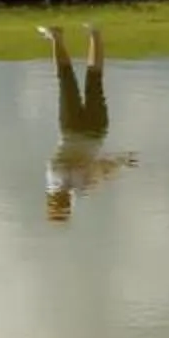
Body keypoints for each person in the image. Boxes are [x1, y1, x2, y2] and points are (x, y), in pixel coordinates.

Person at [39, 23, 132, 220]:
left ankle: (92, 33)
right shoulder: (62, 182)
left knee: (90, 79)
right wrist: (116, 164)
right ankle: (61, 37)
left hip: (92, 131)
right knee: (69, 80)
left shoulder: (80, 188)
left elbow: (102, 168)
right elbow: (100, 169)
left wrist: (120, 163)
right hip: (75, 130)